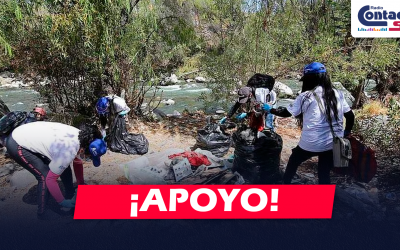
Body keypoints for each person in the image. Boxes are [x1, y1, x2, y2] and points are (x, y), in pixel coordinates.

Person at [265, 62, 355, 184]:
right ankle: (326, 198)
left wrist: (269, 109)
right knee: (324, 172)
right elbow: (350, 116)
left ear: (308, 79)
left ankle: (285, 185)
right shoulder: (338, 94)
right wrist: (346, 133)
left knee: (294, 160)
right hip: (333, 143)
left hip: (312, 142)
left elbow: (286, 113)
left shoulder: (306, 96)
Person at [6, 122, 107, 220]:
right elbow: (51, 179)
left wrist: (81, 185)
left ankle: (70, 193)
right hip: (17, 143)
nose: (88, 159)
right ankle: (42, 213)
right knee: (44, 176)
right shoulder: (68, 150)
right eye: (89, 157)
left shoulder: (84, 138)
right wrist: (62, 201)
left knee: (64, 165)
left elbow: (77, 161)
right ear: (82, 150)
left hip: (30, 134)